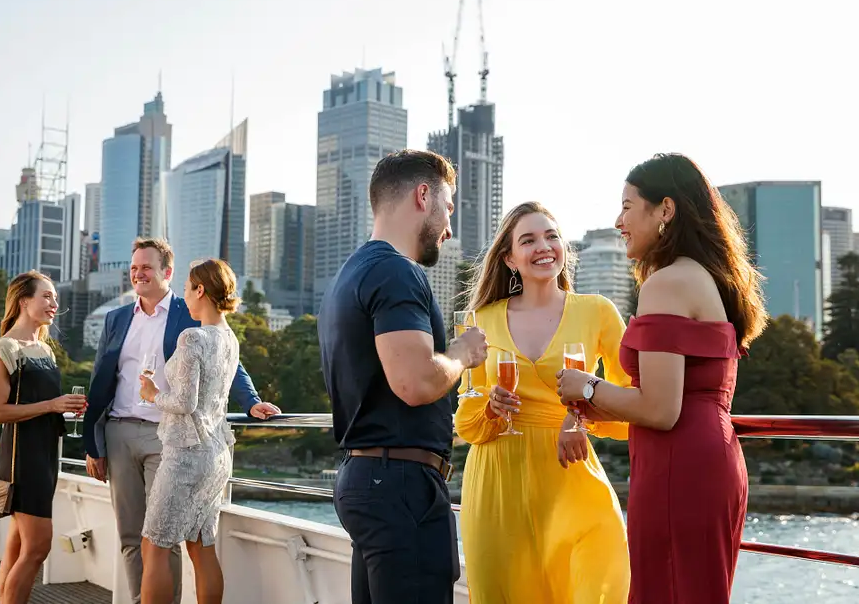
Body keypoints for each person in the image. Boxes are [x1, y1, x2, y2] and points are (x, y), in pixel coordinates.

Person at [556, 153, 767, 604]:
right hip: (710, 461)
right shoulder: (708, 277)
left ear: (665, 210)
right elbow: (680, 395)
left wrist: (587, 387)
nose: (618, 220)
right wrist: (596, 404)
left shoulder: (666, 284)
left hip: (679, 469)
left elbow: (661, 409)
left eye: (628, 206)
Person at [318, 149, 488, 604]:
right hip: (399, 486)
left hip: (368, 478)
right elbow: (415, 382)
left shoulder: (347, 276)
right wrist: (461, 353)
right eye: (448, 208)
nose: (449, 228)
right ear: (423, 194)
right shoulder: (395, 271)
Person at [82, 237, 281, 604]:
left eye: (147, 267)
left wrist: (250, 401)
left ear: (168, 273)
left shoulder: (190, 317)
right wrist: (92, 443)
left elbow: (225, 371)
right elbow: (100, 381)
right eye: (134, 267)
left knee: (160, 540)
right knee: (140, 537)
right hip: (124, 432)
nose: (138, 274)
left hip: (172, 440)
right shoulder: (115, 319)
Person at [454, 202, 631, 603]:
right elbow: (465, 422)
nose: (544, 246)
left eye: (552, 236)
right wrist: (490, 409)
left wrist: (580, 415)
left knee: (597, 584)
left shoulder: (598, 312)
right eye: (528, 240)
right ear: (509, 259)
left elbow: (632, 402)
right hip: (499, 483)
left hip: (570, 476)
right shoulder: (479, 319)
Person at [137, 258, 242, 604]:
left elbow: (184, 402)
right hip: (218, 456)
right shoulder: (230, 339)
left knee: (154, 545)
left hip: (186, 455)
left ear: (200, 290)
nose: (185, 297)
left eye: (186, 289)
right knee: (201, 544)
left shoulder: (192, 336)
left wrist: (151, 393)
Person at [0, 271, 87, 603]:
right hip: (21, 457)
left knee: (17, 546)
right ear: (24, 300)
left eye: (55, 297)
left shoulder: (44, 349)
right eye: (46, 296)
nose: (54, 303)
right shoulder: (7, 348)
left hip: (45, 454)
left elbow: (42, 406)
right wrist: (52, 404)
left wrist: (63, 409)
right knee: (38, 547)